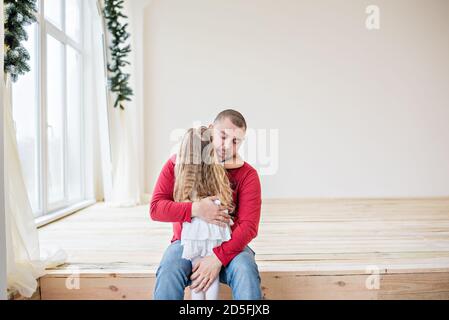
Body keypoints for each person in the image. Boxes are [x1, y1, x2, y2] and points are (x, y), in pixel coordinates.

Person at [150, 109, 263, 300]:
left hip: (229, 243)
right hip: (186, 243)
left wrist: (218, 257)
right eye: (223, 136)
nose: (227, 145)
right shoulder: (179, 164)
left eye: (235, 141)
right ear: (211, 130)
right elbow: (156, 209)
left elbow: (249, 227)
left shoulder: (247, 174)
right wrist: (196, 209)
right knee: (169, 269)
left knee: (245, 268)